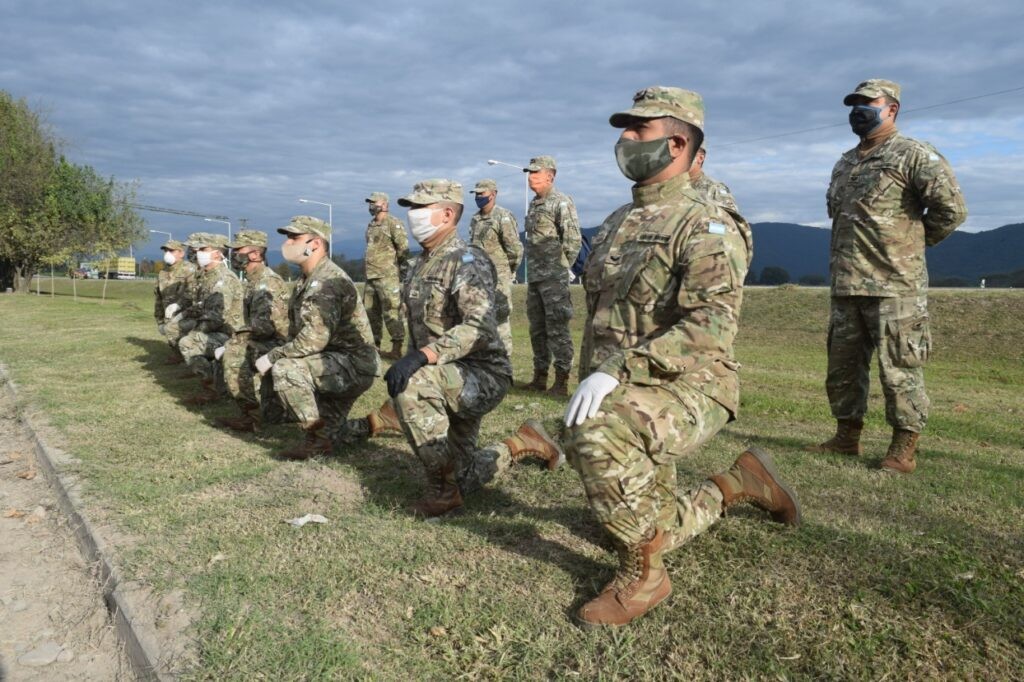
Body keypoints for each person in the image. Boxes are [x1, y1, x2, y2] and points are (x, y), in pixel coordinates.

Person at [563, 86, 801, 628]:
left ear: (676, 144)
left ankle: (645, 578)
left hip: (694, 383)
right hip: (633, 386)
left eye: (637, 130)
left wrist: (614, 373)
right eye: (624, 129)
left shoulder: (707, 223)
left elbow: (711, 327)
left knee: (596, 433)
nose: (623, 140)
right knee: (653, 521)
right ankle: (738, 484)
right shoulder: (621, 220)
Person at [810, 79, 967, 474]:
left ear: (892, 108)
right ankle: (847, 437)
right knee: (843, 369)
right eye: (854, 104)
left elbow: (951, 210)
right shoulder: (845, 162)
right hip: (846, 284)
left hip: (896, 287)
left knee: (900, 370)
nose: (858, 110)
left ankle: (903, 448)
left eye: (868, 103)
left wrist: (911, 246)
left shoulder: (914, 155)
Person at [384, 179, 559, 518]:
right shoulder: (420, 264)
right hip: (446, 374)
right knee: (466, 472)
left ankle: (444, 492)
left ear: (448, 214)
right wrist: (417, 356)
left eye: (420, 209)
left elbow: (477, 328)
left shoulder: (468, 261)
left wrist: (422, 358)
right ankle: (524, 443)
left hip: (481, 374)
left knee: (412, 387)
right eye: (411, 209)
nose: (412, 216)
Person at [254, 216, 380, 460]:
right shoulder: (307, 278)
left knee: (286, 367)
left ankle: (316, 441)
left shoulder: (327, 281)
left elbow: (313, 340)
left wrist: (274, 355)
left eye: (295, 238)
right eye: (288, 237)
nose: (288, 243)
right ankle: (378, 421)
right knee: (335, 432)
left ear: (316, 244)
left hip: (352, 364)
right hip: (330, 362)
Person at [215, 230, 291, 432]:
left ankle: (252, 417)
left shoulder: (268, 282)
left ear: (256, 255)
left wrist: (236, 340)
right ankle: (258, 410)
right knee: (231, 347)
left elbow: (267, 326)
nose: (234, 254)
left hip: (276, 341)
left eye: (239, 250)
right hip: (261, 338)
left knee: (234, 354)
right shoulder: (251, 281)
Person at [521, 156, 581, 397]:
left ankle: (562, 381)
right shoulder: (535, 205)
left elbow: (573, 240)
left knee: (557, 329)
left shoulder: (561, 202)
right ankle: (540, 377)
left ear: (550, 176)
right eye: (529, 173)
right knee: (537, 329)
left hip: (553, 278)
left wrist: (562, 269)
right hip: (535, 277)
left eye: (536, 173)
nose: (530, 177)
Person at [177, 232, 245, 405]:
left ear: (216, 253)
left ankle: (214, 389)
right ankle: (214, 380)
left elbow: (216, 318)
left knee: (189, 342)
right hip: (217, 330)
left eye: (203, 249)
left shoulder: (223, 279)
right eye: (198, 249)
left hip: (229, 334)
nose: (198, 253)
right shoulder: (209, 275)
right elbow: (201, 306)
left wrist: (195, 331)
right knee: (183, 332)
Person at [469, 179, 523, 355]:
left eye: (481, 194)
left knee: (500, 319)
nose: (478, 197)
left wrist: (507, 270)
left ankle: (504, 362)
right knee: (481, 318)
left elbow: (515, 249)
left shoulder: (503, 216)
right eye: (476, 194)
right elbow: (474, 247)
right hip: (479, 276)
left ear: (493, 194)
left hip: (499, 277)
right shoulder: (475, 219)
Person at [363, 191, 410, 360]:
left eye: (374, 202)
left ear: (384, 204)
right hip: (370, 276)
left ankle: (396, 349)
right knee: (370, 313)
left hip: (387, 276)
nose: (371, 205)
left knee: (391, 313)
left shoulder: (393, 223)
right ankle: (373, 347)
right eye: (369, 203)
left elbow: (403, 249)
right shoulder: (371, 225)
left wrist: (398, 270)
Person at [154, 238, 198, 364]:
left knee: (186, 336)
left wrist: (179, 306)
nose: (167, 253)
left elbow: (192, 292)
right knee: (171, 335)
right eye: (166, 250)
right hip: (168, 313)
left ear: (181, 253)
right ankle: (177, 355)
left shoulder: (190, 270)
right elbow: (158, 297)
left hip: (186, 313)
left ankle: (191, 358)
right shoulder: (163, 272)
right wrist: (159, 320)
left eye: (171, 250)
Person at [689, 144, 738, 211]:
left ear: (700, 158)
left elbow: (731, 219)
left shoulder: (714, 188)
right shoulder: (672, 186)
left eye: (684, 155)